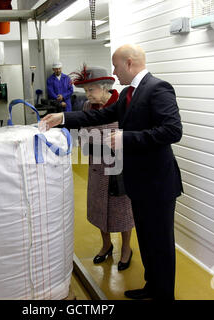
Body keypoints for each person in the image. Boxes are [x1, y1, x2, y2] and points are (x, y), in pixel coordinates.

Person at [41, 44, 183, 300]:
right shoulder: (130, 93)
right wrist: (61, 118)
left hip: (158, 184)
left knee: (160, 245)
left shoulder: (158, 88)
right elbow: (100, 115)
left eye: (116, 66)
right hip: (139, 183)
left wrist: (126, 138)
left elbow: (173, 131)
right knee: (149, 242)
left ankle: (165, 296)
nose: (114, 73)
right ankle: (152, 288)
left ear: (129, 63)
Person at [70, 65, 134, 271]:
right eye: (86, 91)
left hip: (120, 168)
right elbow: (83, 135)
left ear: (105, 87)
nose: (88, 95)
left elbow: (131, 136)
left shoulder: (123, 104)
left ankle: (126, 248)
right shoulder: (88, 108)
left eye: (91, 90)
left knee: (123, 211)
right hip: (97, 166)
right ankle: (106, 245)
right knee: (99, 209)